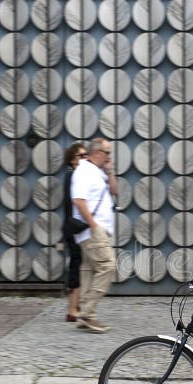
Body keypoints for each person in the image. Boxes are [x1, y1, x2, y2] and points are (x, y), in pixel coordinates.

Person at [70, 137, 117, 333]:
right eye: (107, 152)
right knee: (107, 265)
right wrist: (94, 225)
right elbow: (79, 201)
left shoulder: (98, 172)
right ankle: (87, 313)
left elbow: (115, 192)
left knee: (89, 270)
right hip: (92, 230)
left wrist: (110, 171)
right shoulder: (83, 171)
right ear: (97, 152)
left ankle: (85, 315)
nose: (109, 156)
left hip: (97, 230)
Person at [62, 142, 88, 322]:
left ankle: (76, 305)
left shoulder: (75, 175)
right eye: (81, 156)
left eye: (86, 155)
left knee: (78, 265)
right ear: (72, 160)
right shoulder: (73, 176)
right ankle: (72, 309)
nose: (85, 158)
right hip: (75, 228)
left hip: (75, 226)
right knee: (76, 267)